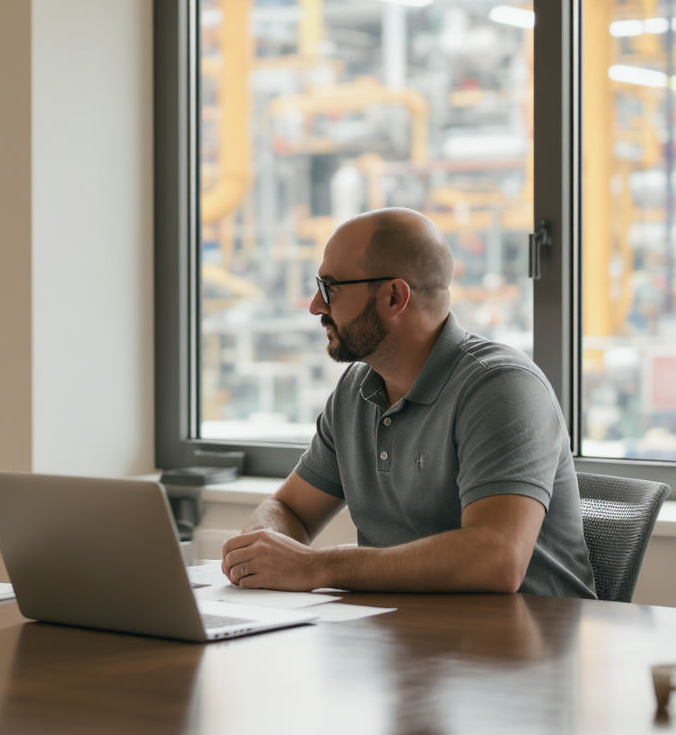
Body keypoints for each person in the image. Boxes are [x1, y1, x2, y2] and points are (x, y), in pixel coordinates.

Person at [221, 208, 595, 598]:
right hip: (403, 631)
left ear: (394, 297)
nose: (316, 305)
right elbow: (289, 509)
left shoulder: (501, 387)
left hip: (528, 633)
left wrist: (316, 566)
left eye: (331, 288)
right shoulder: (355, 391)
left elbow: (497, 559)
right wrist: (259, 552)